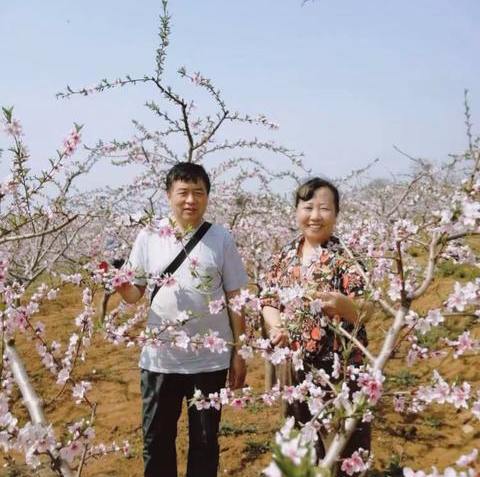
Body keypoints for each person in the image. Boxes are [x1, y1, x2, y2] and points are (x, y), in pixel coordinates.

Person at [116, 162, 248, 477]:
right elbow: (135, 293)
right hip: (161, 359)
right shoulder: (149, 236)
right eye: (183, 193)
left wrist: (239, 351)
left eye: (198, 193)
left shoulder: (220, 239)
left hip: (209, 360)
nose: (191, 200)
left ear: (207, 197)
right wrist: (118, 283)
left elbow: (235, 298)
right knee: (157, 439)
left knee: (205, 440)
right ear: (168, 195)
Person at [260, 177, 370, 475]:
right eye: (308, 207)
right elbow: (269, 299)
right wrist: (276, 326)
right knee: (300, 440)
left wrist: (343, 305)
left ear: (336, 213)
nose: (315, 215)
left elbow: (366, 309)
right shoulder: (283, 257)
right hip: (295, 367)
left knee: (343, 444)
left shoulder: (348, 258)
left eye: (324, 208)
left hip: (341, 369)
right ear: (296, 211)